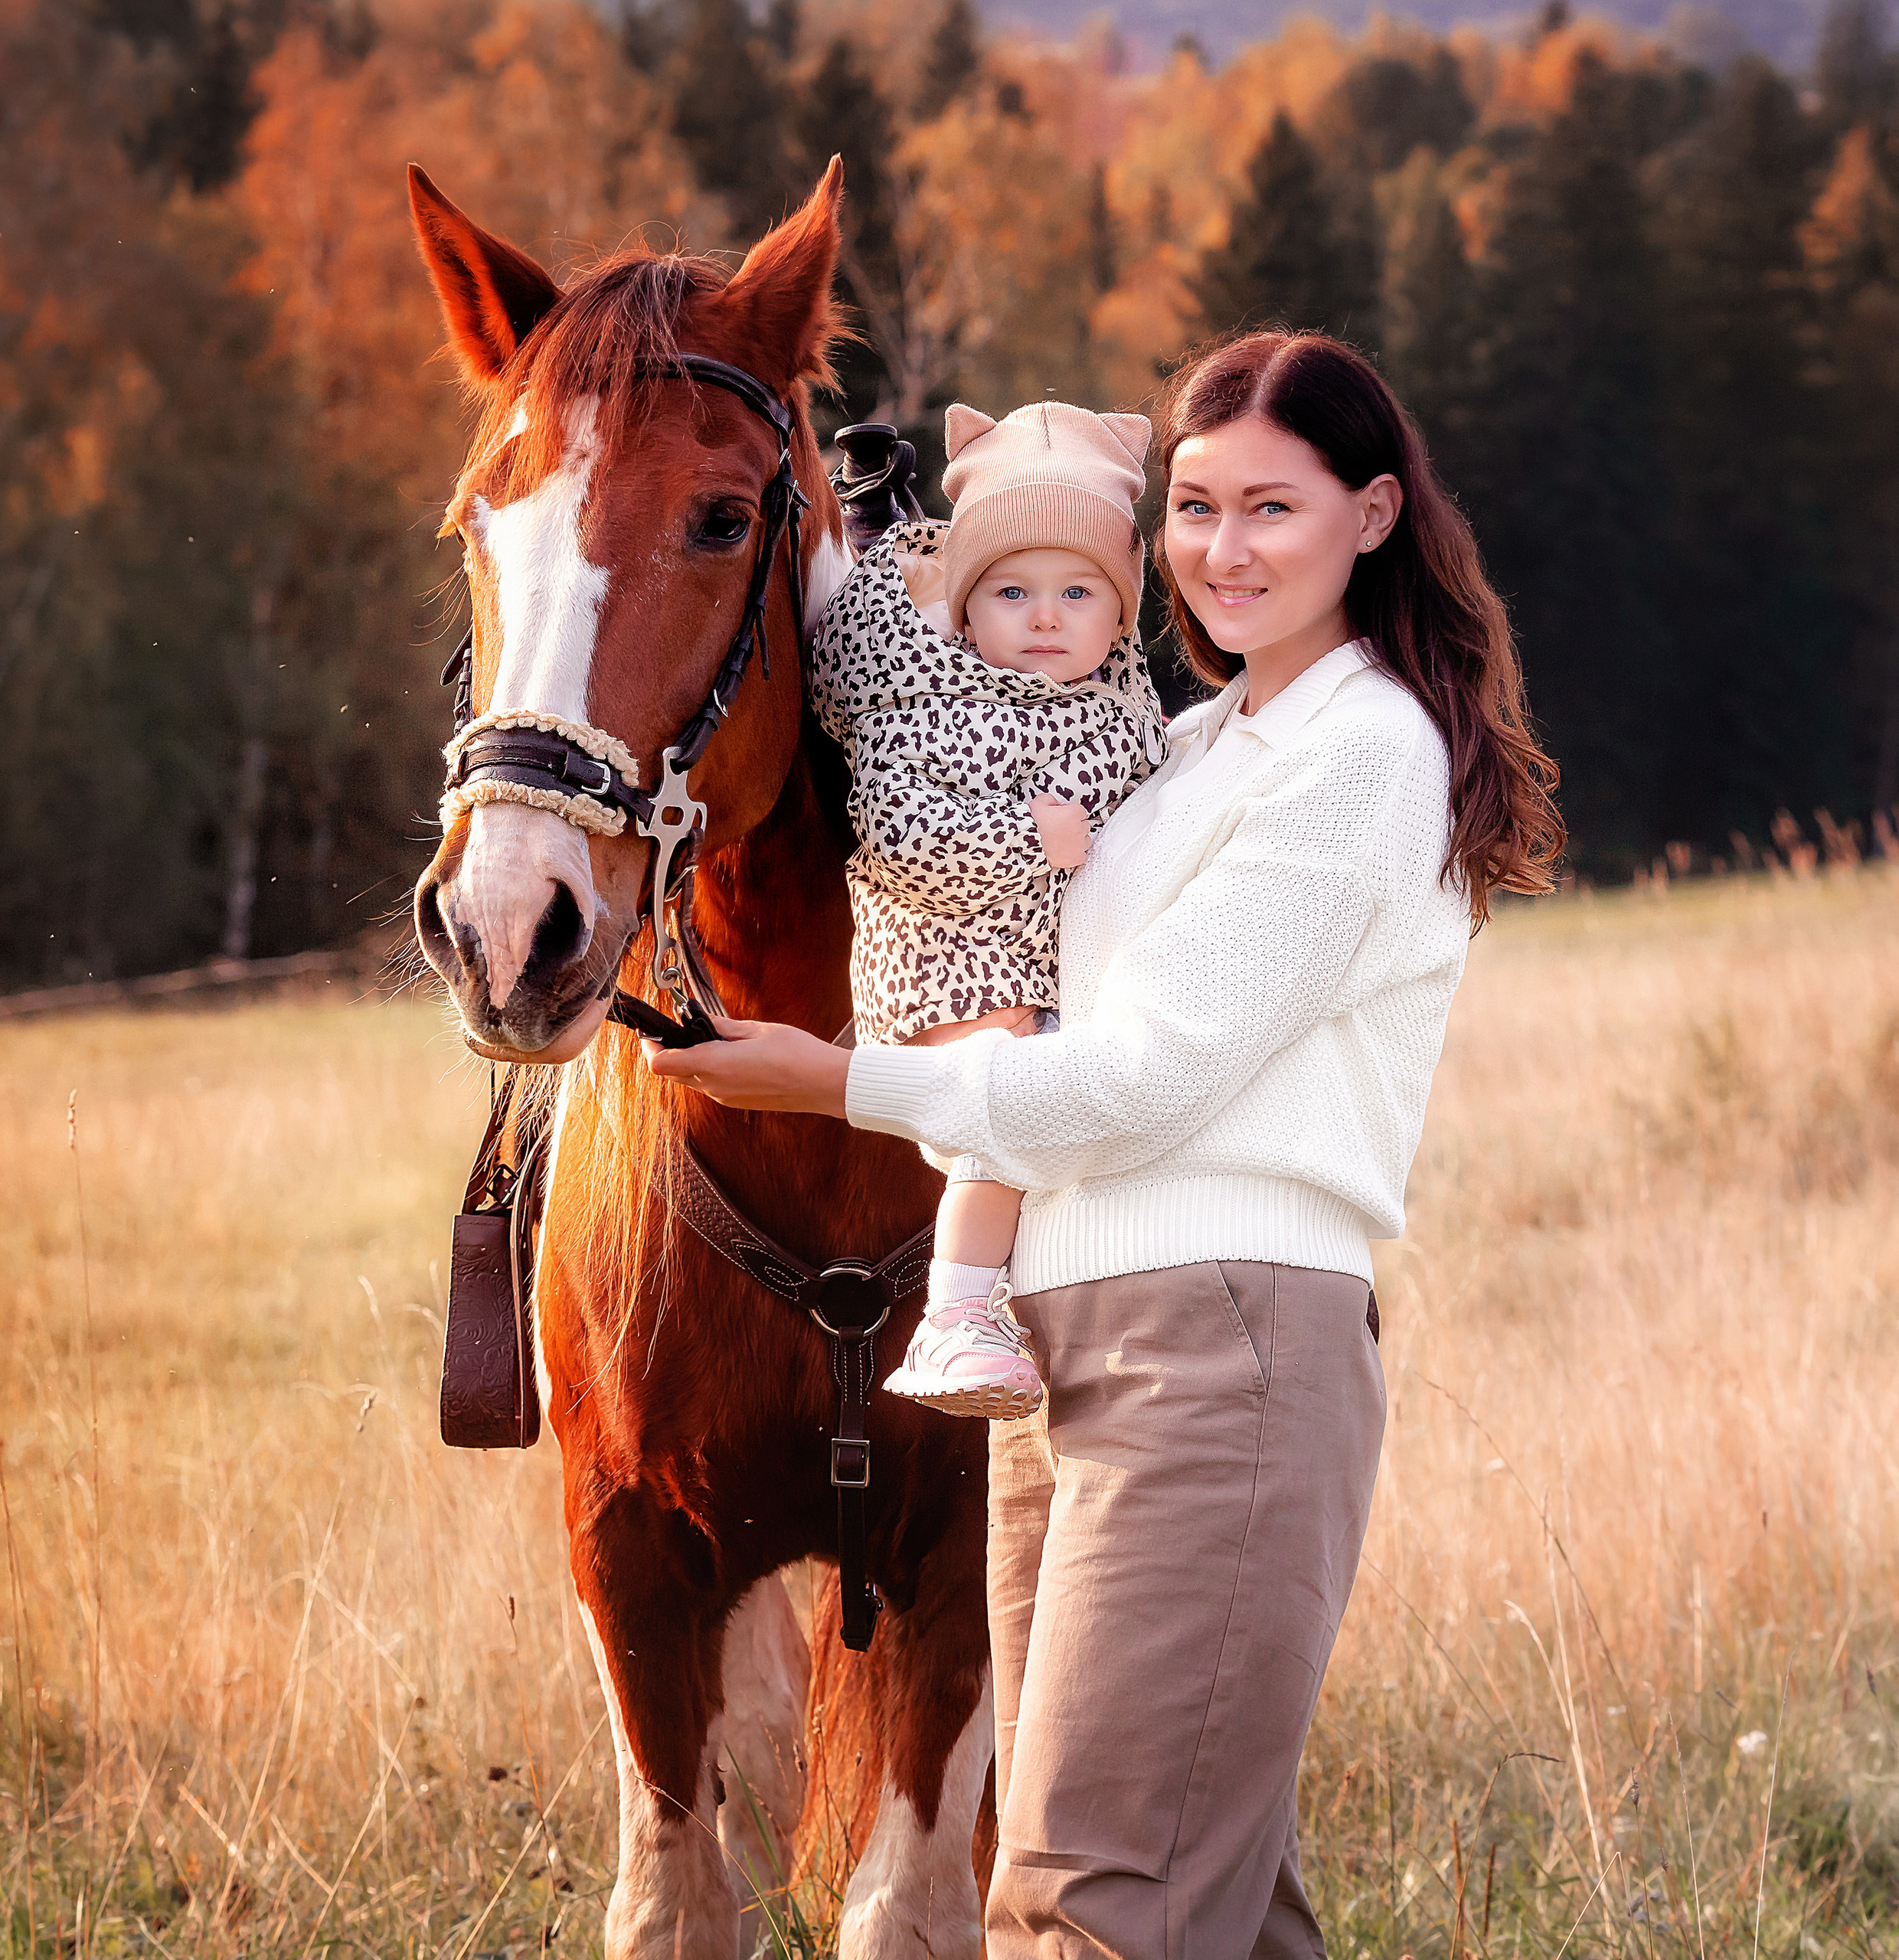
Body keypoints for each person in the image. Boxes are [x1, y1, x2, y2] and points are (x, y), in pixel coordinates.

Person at [649, 331, 1563, 1957]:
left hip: (1215, 1340)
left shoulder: (1358, 757)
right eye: (1195, 506)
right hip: (1066, 1344)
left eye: (1269, 507)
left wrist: (842, 1079)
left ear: (1369, 515)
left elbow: (1140, 1078)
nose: (1221, 550)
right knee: (1200, 1899)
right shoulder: (1183, 746)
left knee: (1090, 1900)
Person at [809, 400, 1164, 1421]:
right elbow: (896, 833)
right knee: (1011, 1084)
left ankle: (1048, 1304)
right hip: (944, 967)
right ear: (966, 613)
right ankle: (954, 1316)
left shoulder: (1130, 715)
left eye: (1077, 592)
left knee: (1083, 1100)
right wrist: (1026, 839)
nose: (1045, 617)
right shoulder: (924, 700)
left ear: (1120, 610)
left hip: (1050, 970)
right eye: (1011, 592)